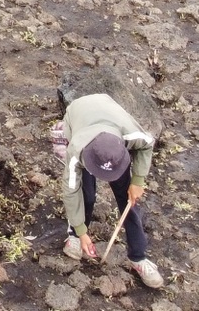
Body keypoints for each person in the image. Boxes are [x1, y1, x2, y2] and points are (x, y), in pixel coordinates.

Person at [60, 92, 164, 289]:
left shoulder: (132, 135)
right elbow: (70, 190)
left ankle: (138, 258)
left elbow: (147, 145)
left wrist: (138, 181)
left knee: (128, 199)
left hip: (111, 119)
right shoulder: (77, 150)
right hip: (80, 114)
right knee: (86, 194)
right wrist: (81, 232)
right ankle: (74, 234)